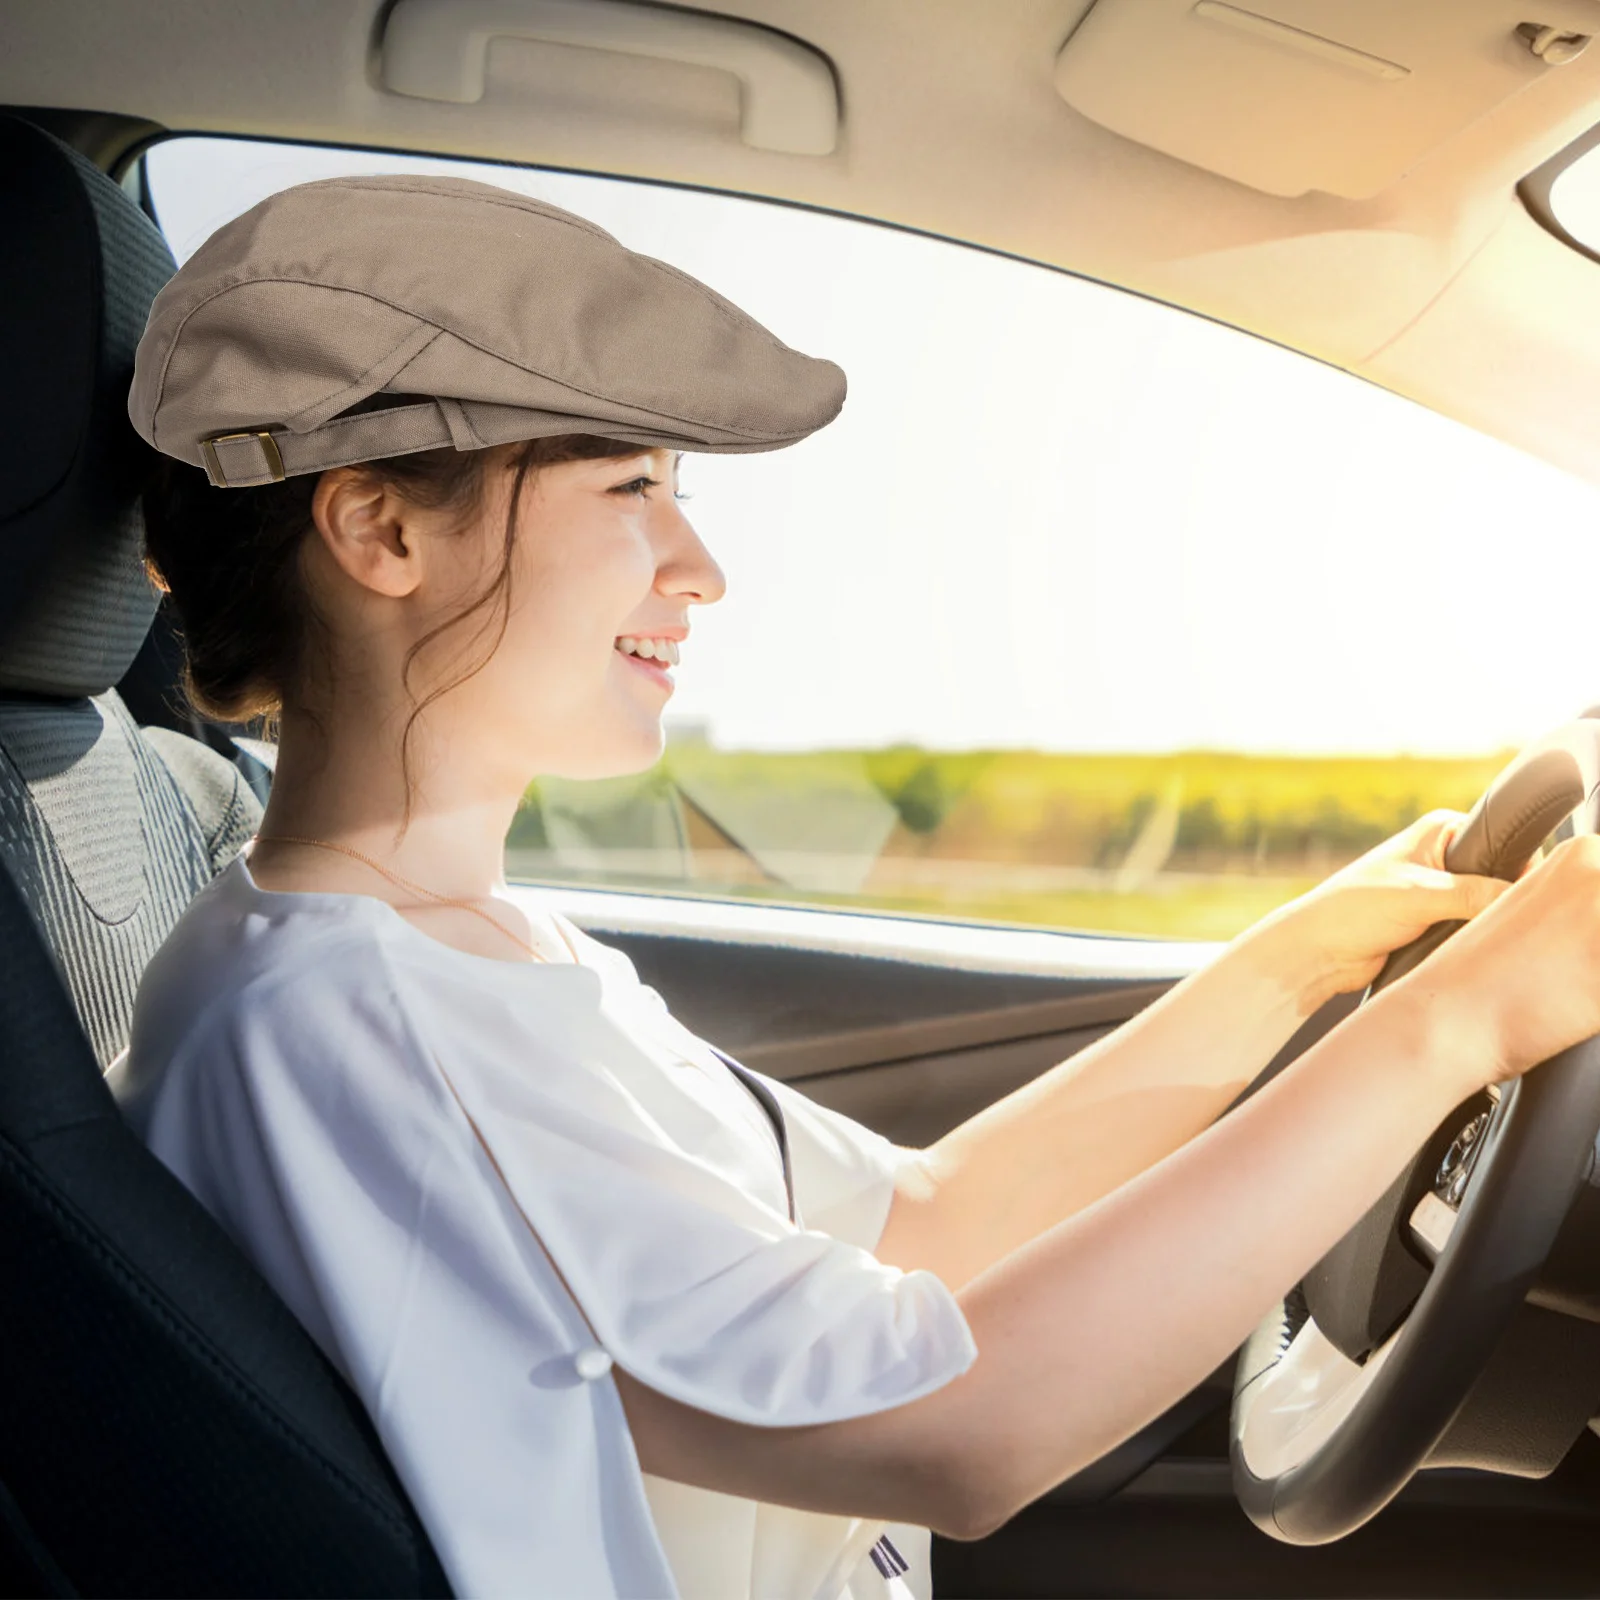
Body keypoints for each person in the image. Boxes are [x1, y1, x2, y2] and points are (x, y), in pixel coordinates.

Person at [110, 173, 1600, 1600]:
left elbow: (912, 1227)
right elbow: (957, 1428)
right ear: (380, 529)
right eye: (634, 484)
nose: (700, 568)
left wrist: (1299, 972)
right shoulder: (359, 1016)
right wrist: (1452, 1030)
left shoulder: (469, 953)